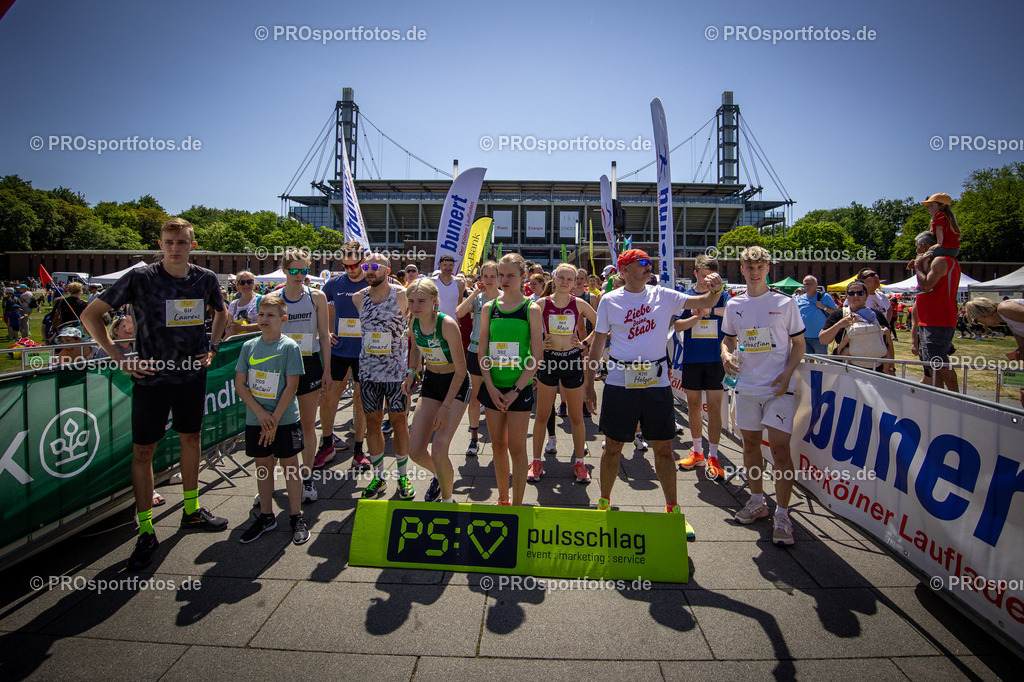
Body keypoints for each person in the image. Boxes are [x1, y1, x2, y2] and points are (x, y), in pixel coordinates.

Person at [81, 218, 230, 571]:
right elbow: (91, 315)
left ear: (192, 245)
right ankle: (146, 529)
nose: (174, 247)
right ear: (160, 244)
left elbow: (221, 314)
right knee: (144, 450)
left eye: (181, 242)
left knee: (191, 439)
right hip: (150, 378)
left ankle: (191, 510)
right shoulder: (141, 277)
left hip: (191, 376)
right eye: (168, 242)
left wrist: (212, 348)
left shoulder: (205, 278)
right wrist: (119, 356)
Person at [583, 249, 725, 524]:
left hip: (656, 382)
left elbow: (704, 299)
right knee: (612, 446)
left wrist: (716, 289)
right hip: (619, 381)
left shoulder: (664, 295)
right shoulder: (609, 301)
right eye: (643, 263)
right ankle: (604, 503)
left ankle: (672, 509)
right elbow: (599, 344)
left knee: (663, 447)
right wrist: (589, 385)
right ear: (624, 271)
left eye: (651, 263)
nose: (650, 267)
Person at [721, 246, 805, 546]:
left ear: (768, 268)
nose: (754, 272)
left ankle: (783, 514)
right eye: (749, 267)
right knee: (750, 446)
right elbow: (728, 338)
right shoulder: (734, 304)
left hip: (778, 388)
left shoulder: (786, 303)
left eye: (760, 266)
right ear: (741, 269)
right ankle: (757, 501)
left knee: (780, 451)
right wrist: (725, 354)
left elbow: (799, 344)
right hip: (746, 387)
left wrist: (788, 373)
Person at [233, 295, 310, 545]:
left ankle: (296, 515)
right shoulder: (249, 346)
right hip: (258, 419)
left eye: (271, 315)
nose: (264, 319)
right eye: (261, 314)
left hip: (284, 418)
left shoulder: (289, 347)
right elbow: (240, 384)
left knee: (290, 467)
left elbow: (292, 386)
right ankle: (266, 516)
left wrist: (274, 418)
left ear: (283, 319)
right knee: (263, 466)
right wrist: (261, 414)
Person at [478, 253, 545, 505]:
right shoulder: (489, 307)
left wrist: (516, 390)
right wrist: (491, 386)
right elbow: (482, 351)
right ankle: (503, 499)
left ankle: (517, 504)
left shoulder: (532, 309)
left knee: (517, 449)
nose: (504, 280)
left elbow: (536, 355)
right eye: (500, 275)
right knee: (497, 446)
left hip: (519, 389)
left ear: (523, 277)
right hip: (493, 387)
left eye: (510, 275)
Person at [273, 249, 333, 502]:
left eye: (304, 270)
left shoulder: (317, 296)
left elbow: (324, 336)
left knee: (308, 424)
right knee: (275, 424)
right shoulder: (272, 298)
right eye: (294, 270)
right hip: (279, 365)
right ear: (285, 270)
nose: (299, 275)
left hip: (309, 363)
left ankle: (306, 478)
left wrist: (327, 369)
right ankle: (267, 483)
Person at [530, 263, 597, 484]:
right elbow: (526, 332)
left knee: (576, 416)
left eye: (571, 279)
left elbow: (603, 325)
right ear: (555, 278)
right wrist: (539, 341)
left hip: (571, 361)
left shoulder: (579, 303)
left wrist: (584, 343)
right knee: (542, 414)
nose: (566, 282)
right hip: (548, 361)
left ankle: (579, 462)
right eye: (562, 278)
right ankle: (536, 461)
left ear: (576, 281)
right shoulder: (540, 304)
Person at [404, 278, 470, 503]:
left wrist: (445, 407)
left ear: (434, 301)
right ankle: (440, 475)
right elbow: (415, 349)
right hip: (432, 380)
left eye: (421, 301)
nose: (415, 306)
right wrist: (412, 371)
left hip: (455, 382)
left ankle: (448, 500)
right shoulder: (413, 321)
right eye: (411, 301)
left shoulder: (447, 324)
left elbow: (462, 371)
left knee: (440, 447)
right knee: (415, 451)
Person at [354, 253, 413, 499]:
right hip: (368, 372)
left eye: (374, 266)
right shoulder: (359, 298)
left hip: (396, 373)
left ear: (387, 270)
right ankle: (378, 478)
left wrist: (413, 369)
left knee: (399, 422)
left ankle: (403, 477)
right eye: (365, 266)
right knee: (373, 423)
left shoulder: (401, 296)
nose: (369, 270)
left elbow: (416, 329)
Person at [675, 254, 729, 479]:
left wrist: (710, 310)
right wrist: (696, 317)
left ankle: (713, 455)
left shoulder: (723, 295)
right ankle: (697, 451)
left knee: (715, 408)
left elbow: (731, 315)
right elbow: (677, 325)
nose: (707, 281)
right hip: (692, 358)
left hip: (716, 358)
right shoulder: (686, 297)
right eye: (704, 276)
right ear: (695, 273)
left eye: (712, 277)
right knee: (694, 406)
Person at [320, 244, 370, 470]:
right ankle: (327, 443)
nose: (351, 269)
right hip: (339, 349)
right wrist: (326, 330)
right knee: (330, 395)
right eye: (346, 265)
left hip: (364, 351)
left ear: (363, 260)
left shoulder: (372, 281)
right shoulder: (334, 284)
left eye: (355, 265)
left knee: (360, 400)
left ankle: (359, 449)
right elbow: (320, 307)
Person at [456, 260, 500, 457]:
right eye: (486, 276)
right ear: (480, 277)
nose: (489, 280)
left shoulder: (506, 299)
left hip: (499, 354)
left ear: (499, 277)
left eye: (493, 276)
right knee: (474, 397)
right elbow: (459, 313)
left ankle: (498, 438)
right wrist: (474, 293)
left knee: (496, 395)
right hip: (475, 351)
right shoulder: (477, 298)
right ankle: (474, 438)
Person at [913, 231, 961, 391]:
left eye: (917, 248)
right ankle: (938, 396)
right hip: (930, 319)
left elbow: (926, 285)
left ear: (923, 246)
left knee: (938, 359)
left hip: (938, 318)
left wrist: (918, 266)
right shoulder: (937, 261)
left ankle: (957, 398)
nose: (916, 251)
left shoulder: (941, 261)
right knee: (931, 363)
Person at [818, 281, 895, 374]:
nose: (855, 296)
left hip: (875, 369)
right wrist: (839, 325)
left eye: (860, 293)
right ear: (846, 296)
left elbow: (888, 343)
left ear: (866, 296)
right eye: (851, 293)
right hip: (846, 370)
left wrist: (891, 368)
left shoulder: (877, 315)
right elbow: (823, 340)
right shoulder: (838, 314)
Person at [965, 297, 1024, 407]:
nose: (983, 325)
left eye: (977, 320)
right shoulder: (1008, 320)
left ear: (982, 315)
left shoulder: (1005, 308)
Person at [795, 275, 837, 355]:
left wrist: (824, 307)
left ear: (816, 285)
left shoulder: (824, 297)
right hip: (804, 336)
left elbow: (836, 312)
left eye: (811, 284)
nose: (808, 286)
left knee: (820, 362)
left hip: (819, 338)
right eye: (806, 284)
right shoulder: (800, 298)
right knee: (807, 362)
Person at [922, 192, 960, 259]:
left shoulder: (939, 214)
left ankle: (923, 270)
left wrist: (939, 244)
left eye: (931, 206)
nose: (929, 208)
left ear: (941, 206)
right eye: (929, 206)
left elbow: (939, 229)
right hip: (954, 249)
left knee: (925, 257)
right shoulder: (947, 217)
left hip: (946, 248)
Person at [226, 271, 260, 339]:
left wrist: (243, 328)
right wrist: (231, 332)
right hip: (238, 343)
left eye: (249, 281)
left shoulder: (262, 300)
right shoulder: (233, 304)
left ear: (254, 283)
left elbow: (268, 324)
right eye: (242, 282)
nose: (246, 285)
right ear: (237, 285)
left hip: (257, 341)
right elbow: (228, 327)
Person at [432, 254, 467, 319]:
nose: (448, 268)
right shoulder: (432, 282)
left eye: (450, 265)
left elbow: (459, 305)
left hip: (453, 322)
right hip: (435, 322)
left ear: (454, 265)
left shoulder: (460, 283)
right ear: (439, 265)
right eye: (445, 265)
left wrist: (458, 323)